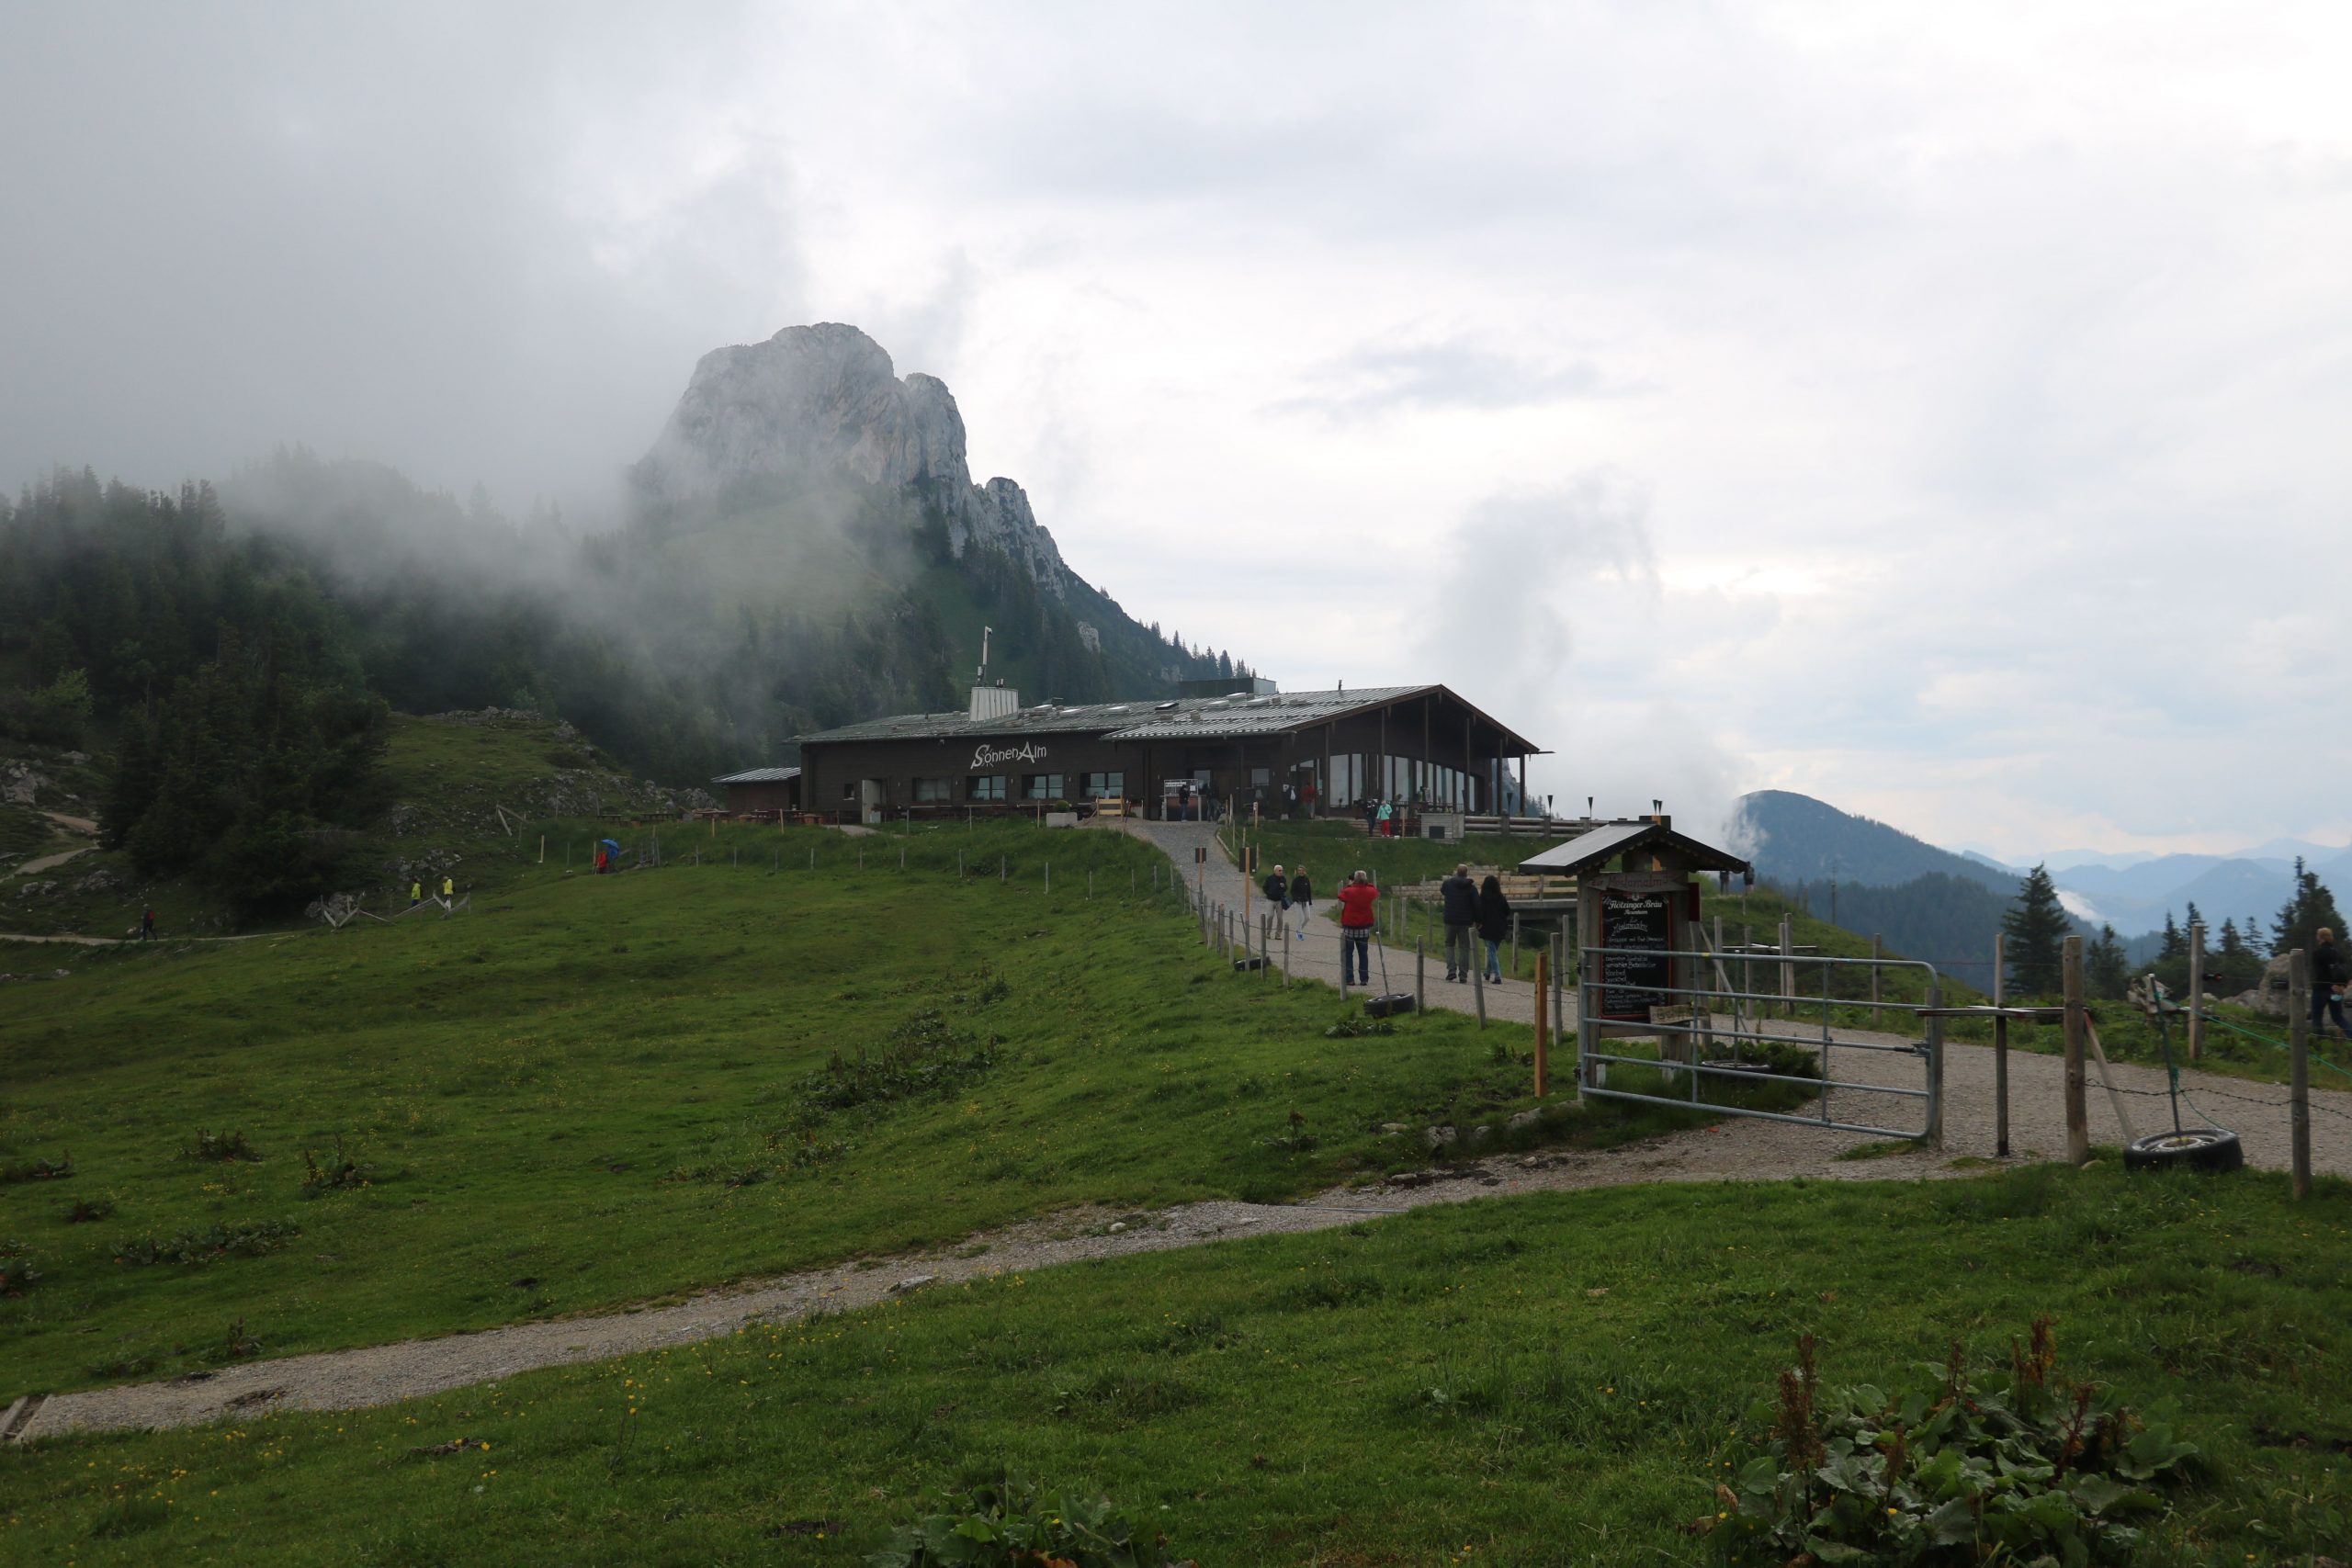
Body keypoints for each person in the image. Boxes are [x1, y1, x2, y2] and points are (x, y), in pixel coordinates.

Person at [1337, 870, 1379, 987]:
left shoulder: (1349, 891)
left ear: (1354, 880)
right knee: (1363, 954)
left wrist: (1350, 885)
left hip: (1349, 926)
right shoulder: (1370, 891)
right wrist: (1366, 883)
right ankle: (1364, 979)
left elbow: (1341, 895)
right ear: (1365, 879)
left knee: (1348, 954)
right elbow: (1375, 891)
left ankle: (1350, 979)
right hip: (1364, 927)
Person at [1440, 862, 1478, 983]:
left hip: (1450, 919)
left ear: (1457, 872)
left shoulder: (1447, 884)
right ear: (1466, 873)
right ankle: (1463, 974)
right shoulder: (1471, 888)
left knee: (1449, 945)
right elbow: (1477, 905)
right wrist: (1479, 920)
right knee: (1464, 947)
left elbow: (1442, 891)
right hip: (1465, 921)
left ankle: (1451, 970)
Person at [2315, 928, 2351, 1042]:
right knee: (2338, 1017)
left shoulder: (2317, 953)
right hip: (2336, 991)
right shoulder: (2337, 953)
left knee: (2317, 1018)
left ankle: (2321, 1043)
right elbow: (2344, 971)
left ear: (2320, 938)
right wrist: (2342, 986)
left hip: (2320, 990)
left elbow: (2317, 974)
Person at [1476, 874, 1511, 984]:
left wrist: (1479, 923)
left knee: (1492, 952)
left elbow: (1480, 913)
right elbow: (1508, 911)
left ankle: (1497, 976)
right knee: (1493, 951)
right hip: (1500, 928)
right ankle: (1487, 973)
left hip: (1488, 928)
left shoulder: (1482, 898)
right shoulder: (1501, 897)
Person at [1263, 863, 1290, 932]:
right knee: (1270, 916)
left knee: (1280, 918)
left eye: (1282, 870)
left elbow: (1286, 888)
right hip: (1270, 900)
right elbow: (1264, 887)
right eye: (1279, 870)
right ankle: (1268, 932)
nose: (1281, 872)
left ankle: (1278, 934)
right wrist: (1269, 893)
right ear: (1275, 871)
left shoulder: (1283, 878)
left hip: (1279, 900)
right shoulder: (1269, 878)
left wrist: (1283, 886)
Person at [1288, 864, 1314, 937]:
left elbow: (1309, 891)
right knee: (1300, 918)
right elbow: (1292, 891)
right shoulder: (1295, 880)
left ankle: (1299, 929)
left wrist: (1310, 902)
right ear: (1298, 872)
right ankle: (1299, 933)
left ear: (1304, 871)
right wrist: (1296, 899)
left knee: (1307, 918)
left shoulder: (1307, 880)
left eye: (1302, 870)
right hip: (1298, 901)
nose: (1301, 872)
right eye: (1299, 870)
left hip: (1305, 900)